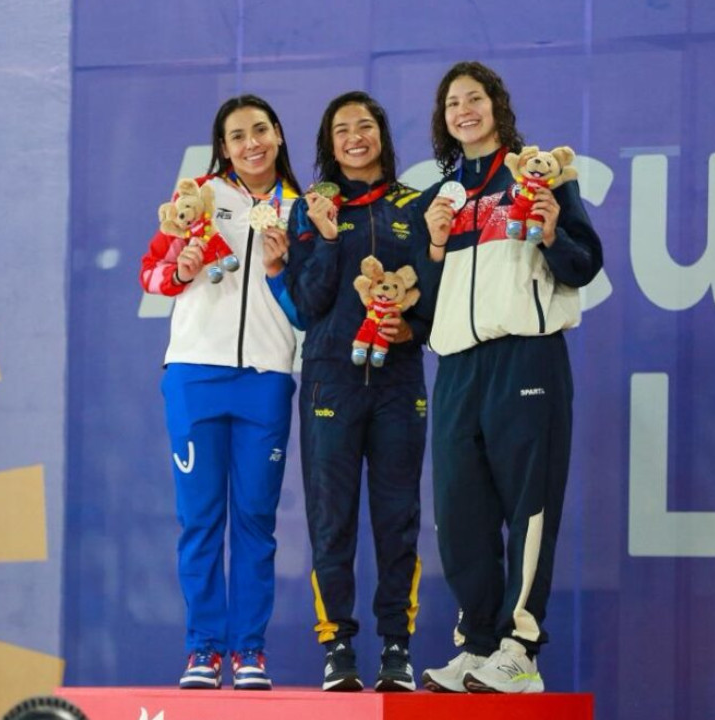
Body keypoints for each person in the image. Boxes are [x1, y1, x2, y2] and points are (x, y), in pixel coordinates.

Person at [409, 61, 603, 694]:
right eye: (452, 103)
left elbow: (583, 264)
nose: (463, 110)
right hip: (459, 364)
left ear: (497, 106)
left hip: (526, 356)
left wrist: (548, 229)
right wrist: (434, 248)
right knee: (458, 510)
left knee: (527, 506)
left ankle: (520, 646)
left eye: (475, 98)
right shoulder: (444, 195)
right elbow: (422, 297)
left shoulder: (536, 173)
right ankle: (479, 643)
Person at [139, 94, 303, 691]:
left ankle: (250, 651)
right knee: (201, 519)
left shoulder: (302, 209)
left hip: (266, 378)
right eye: (237, 136)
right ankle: (204, 649)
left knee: (256, 521)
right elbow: (151, 276)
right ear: (224, 147)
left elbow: (307, 309)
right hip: (195, 375)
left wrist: (286, 268)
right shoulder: (200, 200)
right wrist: (180, 269)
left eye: (260, 130)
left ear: (279, 134)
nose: (250, 143)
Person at [284, 91, 429, 693]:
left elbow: (436, 298)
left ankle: (396, 645)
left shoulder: (415, 206)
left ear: (381, 135)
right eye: (341, 129)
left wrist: (410, 329)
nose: (354, 137)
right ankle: (337, 646)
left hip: (398, 384)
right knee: (331, 520)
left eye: (364, 126)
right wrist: (324, 237)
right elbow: (306, 304)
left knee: (398, 519)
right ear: (328, 142)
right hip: (330, 379)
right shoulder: (314, 207)